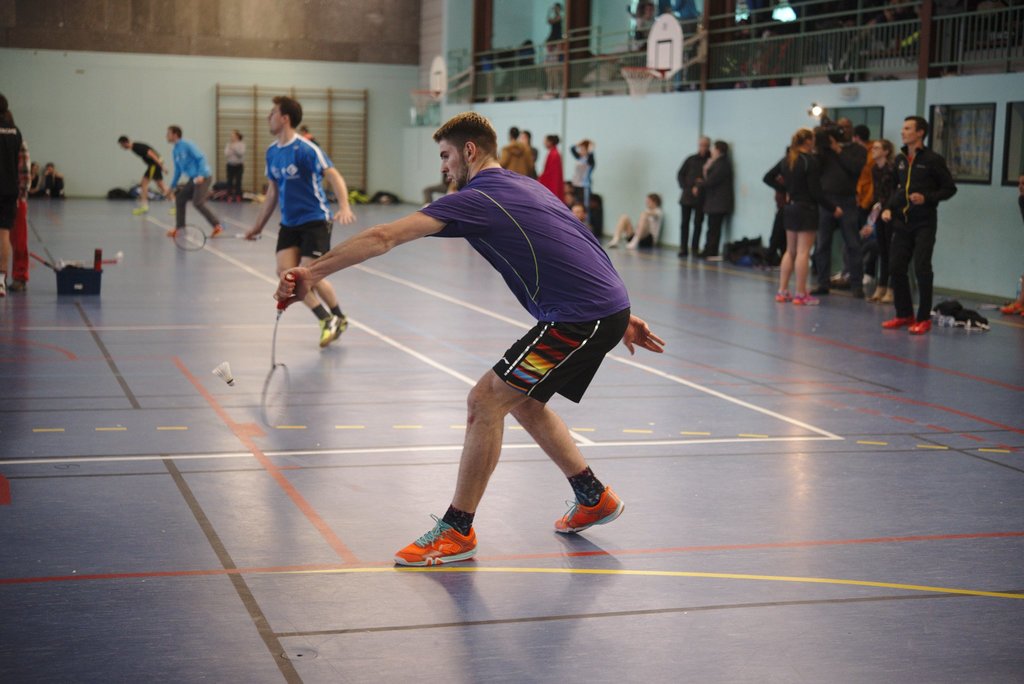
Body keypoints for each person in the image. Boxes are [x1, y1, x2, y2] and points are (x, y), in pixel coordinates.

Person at [273, 112, 664, 566]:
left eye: (446, 156)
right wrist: (619, 312)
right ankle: (592, 496)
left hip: (579, 319)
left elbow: (383, 236)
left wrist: (312, 272)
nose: (443, 167)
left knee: (486, 400)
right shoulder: (524, 185)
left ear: (470, 152)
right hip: (594, 312)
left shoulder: (477, 198)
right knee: (525, 401)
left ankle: (457, 530)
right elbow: (577, 240)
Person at [246, 95, 356, 348]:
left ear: (285, 118)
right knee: (286, 274)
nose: (268, 116)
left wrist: (344, 206)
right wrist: (257, 227)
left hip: (315, 219)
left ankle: (329, 319)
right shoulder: (272, 152)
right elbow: (272, 193)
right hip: (289, 223)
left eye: (272, 112)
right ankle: (334, 318)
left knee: (307, 276)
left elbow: (333, 175)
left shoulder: (306, 149)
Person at [880, 116, 957, 335]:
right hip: (901, 222)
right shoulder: (900, 159)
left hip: (924, 222)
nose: (903, 132)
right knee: (896, 267)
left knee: (922, 267)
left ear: (920, 132)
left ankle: (923, 318)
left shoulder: (933, 159)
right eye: (903, 128)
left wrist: (927, 198)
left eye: (907, 128)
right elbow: (895, 188)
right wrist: (888, 208)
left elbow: (949, 188)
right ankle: (904, 313)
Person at [771, 128, 826, 306]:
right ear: (808, 141)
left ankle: (782, 290)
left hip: (790, 206)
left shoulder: (788, 159)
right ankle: (801, 293)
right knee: (803, 252)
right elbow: (816, 191)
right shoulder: (810, 161)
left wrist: (786, 189)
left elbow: (768, 177)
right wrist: (832, 208)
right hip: (806, 208)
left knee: (790, 250)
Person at [811, 123, 867, 297]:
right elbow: (815, 168)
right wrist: (819, 146)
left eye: (846, 127)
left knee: (853, 243)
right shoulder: (824, 150)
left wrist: (838, 149)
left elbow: (855, 167)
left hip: (847, 200)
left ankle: (856, 285)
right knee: (822, 244)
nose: (842, 130)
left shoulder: (858, 150)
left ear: (852, 131)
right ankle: (823, 283)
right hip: (826, 200)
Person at [0, 93, 30, 298]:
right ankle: (3, 280)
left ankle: (18, 276)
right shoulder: (16, 133)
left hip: (13, 194)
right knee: (7, 236)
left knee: (15, 238)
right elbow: (24, 167)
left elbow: (24, 168)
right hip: (12, 193)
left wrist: (22, 195)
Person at [862, 139, 897, 303]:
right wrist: (872, 217)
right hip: (879, 211)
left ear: (886, 151)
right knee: (882, 250)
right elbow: (877, 194)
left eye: (877, 148)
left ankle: (891, 288)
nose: (873, 150)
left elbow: (893, 192)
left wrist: (888, 208)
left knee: (891, 251)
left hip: (891, 213)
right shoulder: (875, 169)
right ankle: (881, 286)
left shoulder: (892, 169)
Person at [118, 135, 172, 215]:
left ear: (125, 143)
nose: (122, 147)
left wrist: (162, 167)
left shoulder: (137, 147)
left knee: (145, 184)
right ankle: (175, 204)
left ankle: (144, 207)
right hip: (153, 165)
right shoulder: (134, 148)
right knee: (160, 186)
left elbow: (152, 155)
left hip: (154, 165)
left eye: (121, 145)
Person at [698, 140, 734, 260]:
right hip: (714, 202)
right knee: (711, 228)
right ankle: (708, 249)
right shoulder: (718, 163)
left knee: (714, 228)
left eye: (713, 148)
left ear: (718, 150)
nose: (711, 151)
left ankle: (711, 250)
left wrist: (701, 181)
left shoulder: (722, 164)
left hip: (719, 203)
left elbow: (711, 181)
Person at [677, 136, 710, 257]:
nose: (703, 148)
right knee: (684, 223)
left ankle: (694, 248)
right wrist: (686, 187)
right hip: (687, 196)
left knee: (698, 223)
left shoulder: (710, 160)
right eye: (701, 145)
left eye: (706, 145)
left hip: (701, 198)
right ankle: (683, 248)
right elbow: (680, 174)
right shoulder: (691, 159)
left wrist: (700, 185)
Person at [1003, 174, 1024, 316]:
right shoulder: (1022, 200)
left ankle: (1020, 303)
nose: (1020, 186)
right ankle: (1020, 303)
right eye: (1019, 183)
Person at [570, 139, 595, 218]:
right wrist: (579, 143)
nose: (581, 151)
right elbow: (572, 149)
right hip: (576, 184)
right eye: (580, 149)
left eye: (583, 149)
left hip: (584, 186)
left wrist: (591, 149)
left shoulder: (589, 160)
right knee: (576, 204)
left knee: (585, 206)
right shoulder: (579, 158)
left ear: (587, 150)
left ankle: (586, 222)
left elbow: (591, 156)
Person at [538, 134, 564, 199]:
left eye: (545, 141)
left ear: (550, 142)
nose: (544, 143)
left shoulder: (554, 154)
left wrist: (541, 179)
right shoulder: (553, 152)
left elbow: (550, 172)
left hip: (552, 183)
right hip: (552, 182)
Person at [224, 130, 246, 200]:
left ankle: (238, 196)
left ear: (237, 136)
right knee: (229, 181)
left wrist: (234, 148)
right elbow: (226, 154)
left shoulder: (241, 144)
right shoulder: (228, 144)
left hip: (239, 165)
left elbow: (241, 154)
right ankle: (229, 196)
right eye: (231, 136)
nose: (231, 137)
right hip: (230, 165)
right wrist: (230, 149)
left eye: (233, 136)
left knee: (238, 181)